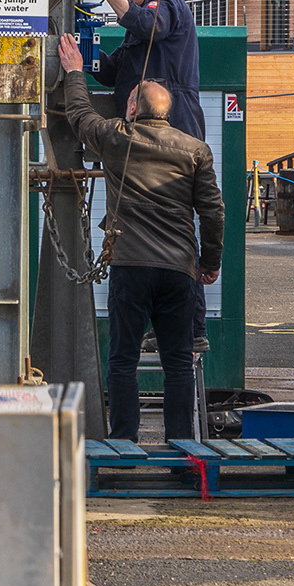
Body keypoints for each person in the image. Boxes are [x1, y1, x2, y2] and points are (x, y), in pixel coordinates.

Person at [56, 35, 223, 443]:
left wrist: (76, 71)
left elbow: (78, 114)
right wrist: (210, 262)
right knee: (179, 363)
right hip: (178, 271)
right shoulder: (196, 150)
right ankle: (181, 444)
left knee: (123, 361)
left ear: (132, 107)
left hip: (130, 266)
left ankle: (125, 442)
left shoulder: (117, 137)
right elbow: (212, 211)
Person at [75, 0, 203, 140]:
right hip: (140, 123)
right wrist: (87, 50)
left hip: (172, 120)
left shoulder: (166, 2)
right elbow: (113, 73)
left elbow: (150, 26)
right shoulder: (135, 29)